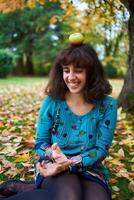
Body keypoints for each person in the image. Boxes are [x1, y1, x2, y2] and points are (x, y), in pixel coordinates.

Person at [0, 34, 117, 200]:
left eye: (78, 71)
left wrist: (69, 164)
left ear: (91, 73)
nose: (71, 77)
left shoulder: (108, 105)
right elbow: (40, 142)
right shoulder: (52, 102)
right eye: (66, 70)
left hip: (90, 169)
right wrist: (54, 156)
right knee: (69, 196)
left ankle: (23, 188)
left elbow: (100, 150)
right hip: (52, 166)